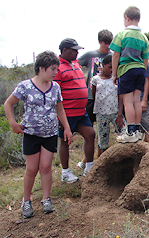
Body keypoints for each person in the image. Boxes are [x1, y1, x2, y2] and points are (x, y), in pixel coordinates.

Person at [4, 51, 73, 218]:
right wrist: (13, 123)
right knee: (32, 169)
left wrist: (67, 127)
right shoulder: (25, 86)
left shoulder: (55, 87)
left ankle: (46, 199)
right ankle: (26, 201)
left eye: (56, 69)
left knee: (46, 167)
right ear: (41, 68)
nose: (56, 72)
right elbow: (8, 104)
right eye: (53, 69)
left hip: (49, 134)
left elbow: (59, 109)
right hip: (31, 133)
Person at [54, 38, 96, 180]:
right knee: (65, 141)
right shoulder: (57, 68)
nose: (77, 52)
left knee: (90, 134)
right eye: (74, 50)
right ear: (64, 51)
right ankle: (65, 172)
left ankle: (89, 167)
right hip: (67, 113)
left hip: (80, 111)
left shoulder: (76, 63)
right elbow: (55, 92)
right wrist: (58, 116)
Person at [109, 6, 149, 143]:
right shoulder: (144, 37)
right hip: (140, 70)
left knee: (128, 101)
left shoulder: (121, 34)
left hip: (126, 69)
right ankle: (137, 131)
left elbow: (115, 56)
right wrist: (143, 72)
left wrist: (114, 74)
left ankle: (130, 132)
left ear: (126, 18)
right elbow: (145, 59)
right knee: (136, 100)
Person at [76, 29, 113, 170]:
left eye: (109, 43)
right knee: (89, 130)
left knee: (102, 129)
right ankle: (86, 159)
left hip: (107, 100)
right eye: (104, 43)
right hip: (91, 97)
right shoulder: (90, 55)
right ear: (99, 41)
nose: (107, 46)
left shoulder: (113, 55)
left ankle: (98, 158)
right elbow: (75, 64)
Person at [91, 54, 126, 158]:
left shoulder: (117, 79)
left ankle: (124, 157)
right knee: (103, 141)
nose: (112, 69)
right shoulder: (95, 80)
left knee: (125, 133)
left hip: (115, 113)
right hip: (102, 114)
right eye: (109, 67)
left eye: (114, 67)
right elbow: (94, 96)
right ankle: (103, 162)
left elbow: (120, 97)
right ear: (103, 65)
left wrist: (120, 114)